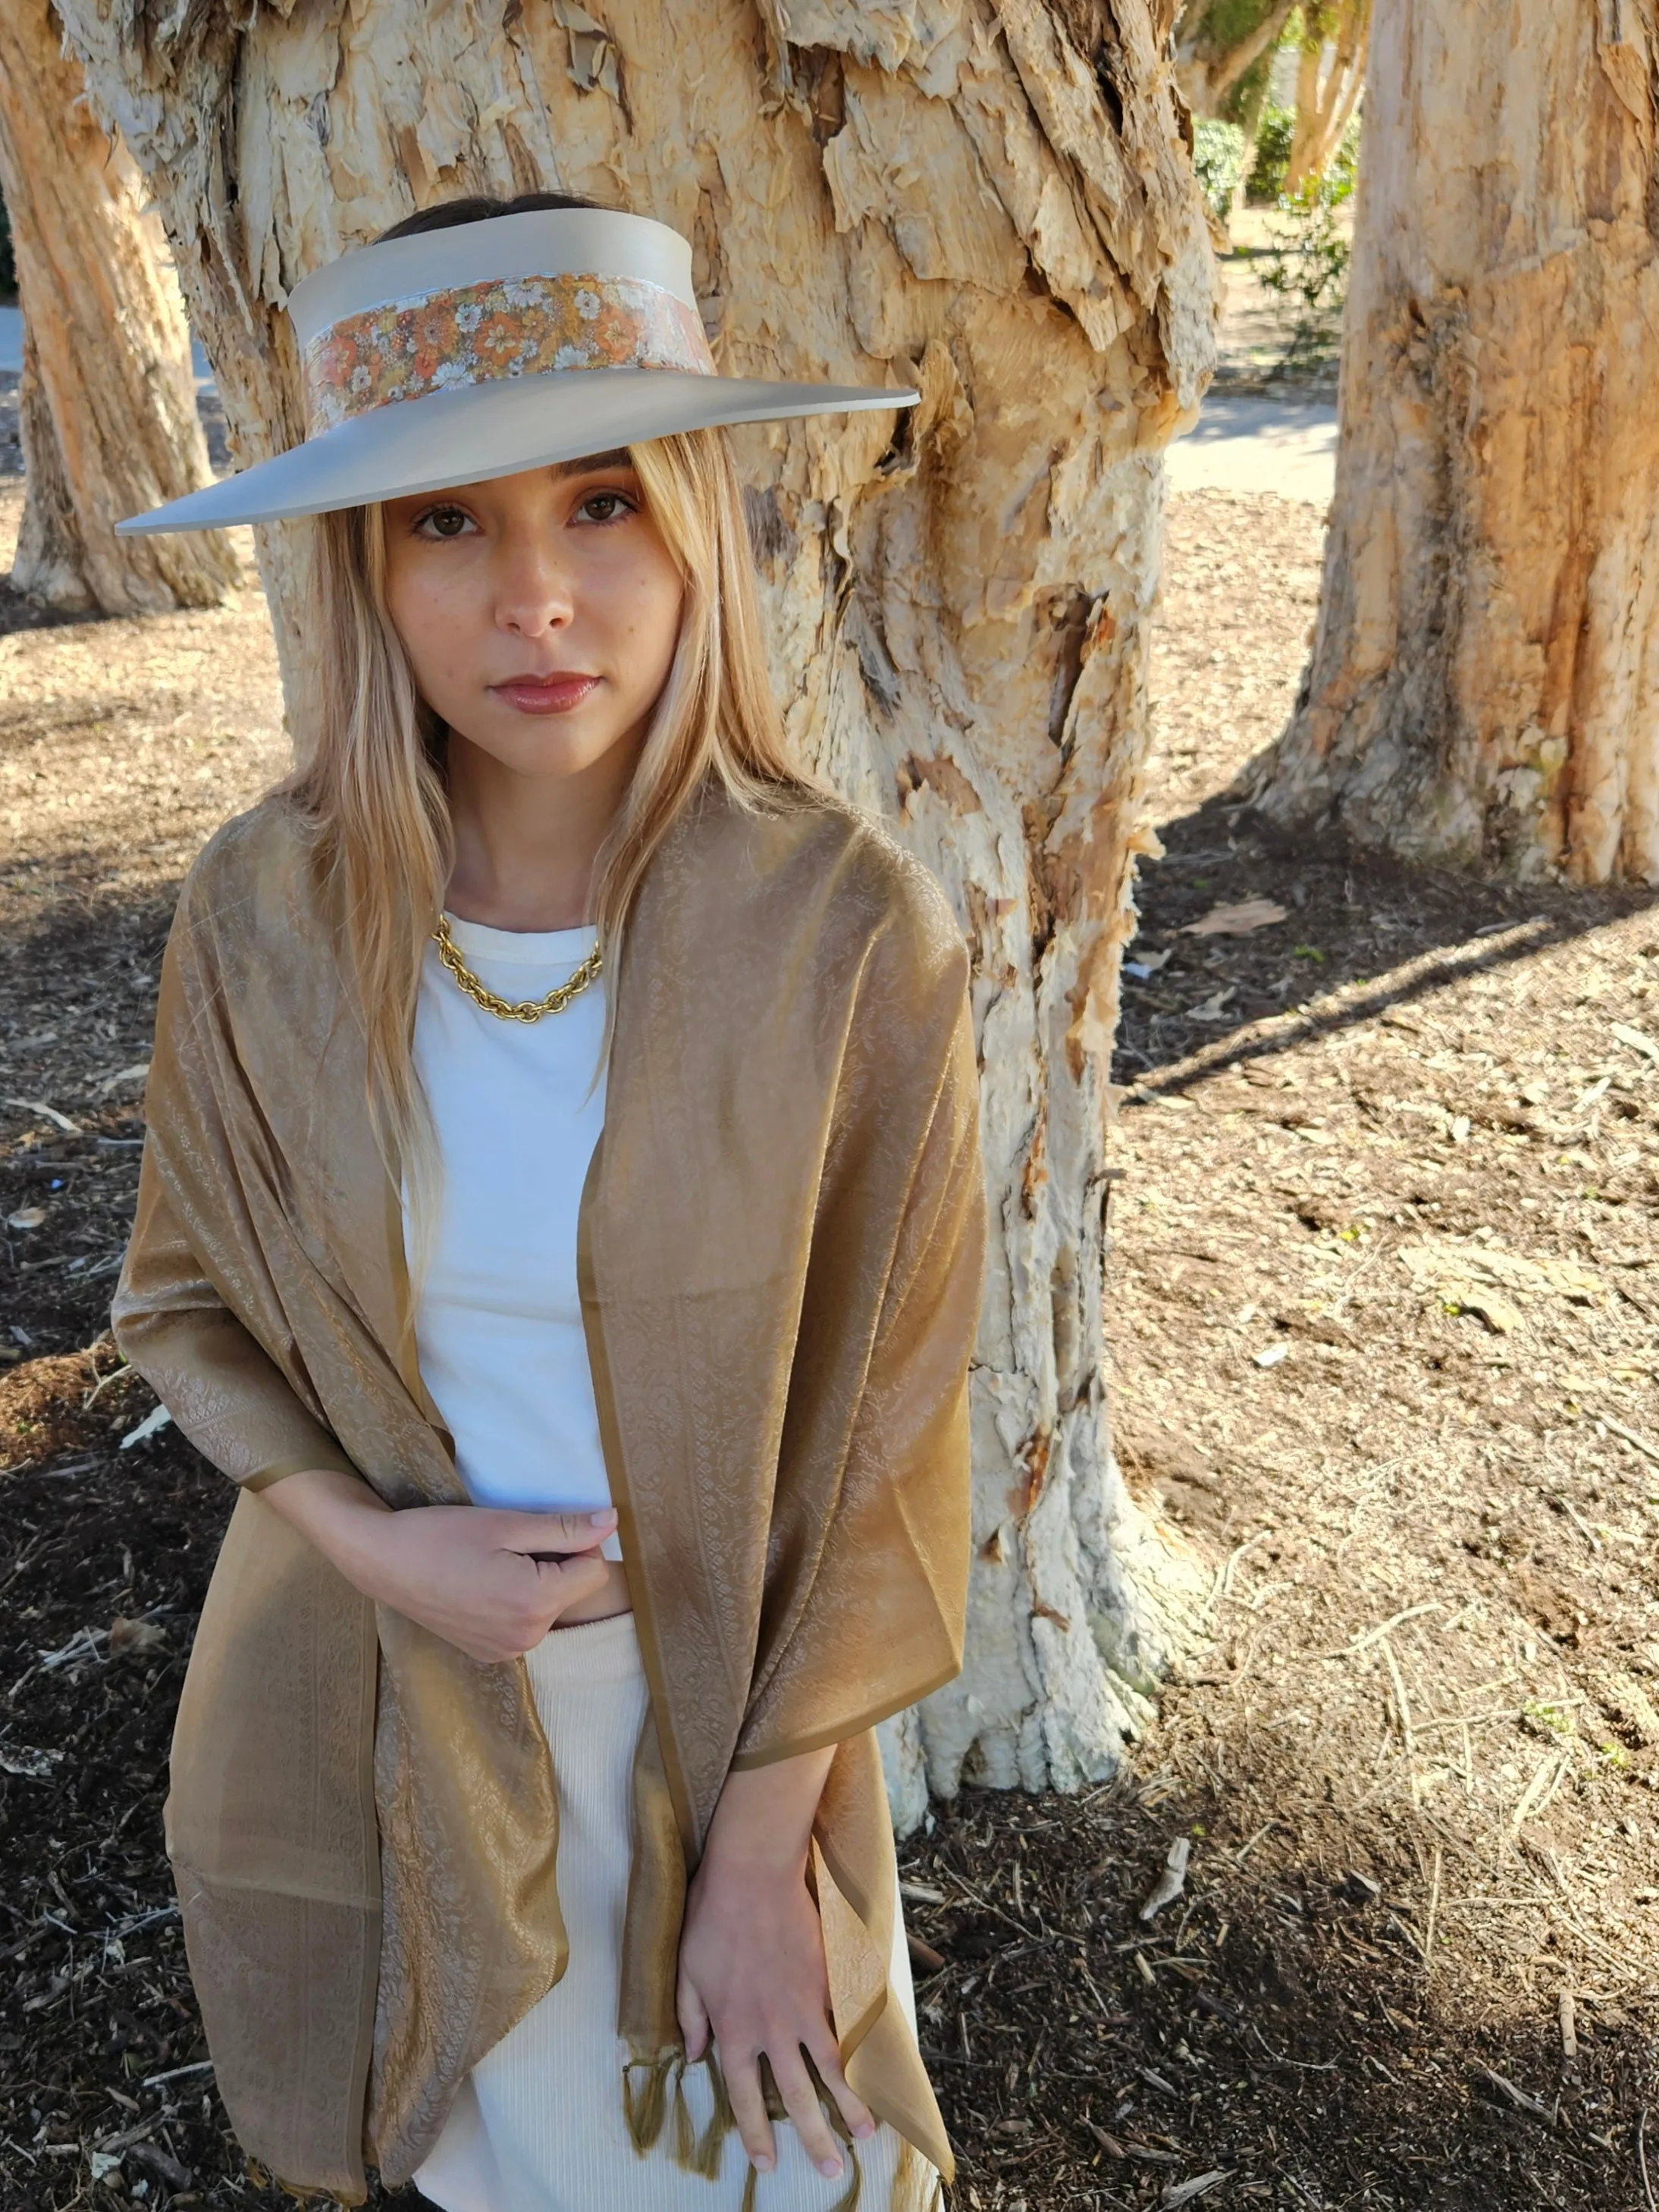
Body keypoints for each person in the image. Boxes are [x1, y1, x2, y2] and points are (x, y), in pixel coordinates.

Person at [111, 192, 985, 2212]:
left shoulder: (849, 935)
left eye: (598, 505)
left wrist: (759, 1863)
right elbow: (182, 1301)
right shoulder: (262, 920)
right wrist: (373, 1547)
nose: (537, 600)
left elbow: (879, 1449)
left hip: (711, 1764)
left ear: (691, 519)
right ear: (359, 562)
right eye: (446, 521)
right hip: (381, 1717)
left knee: (773, 2177)